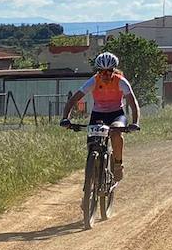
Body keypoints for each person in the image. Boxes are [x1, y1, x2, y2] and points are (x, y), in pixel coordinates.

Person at [60, 51, 141, 179]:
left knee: (115, 133)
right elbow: (73, 99)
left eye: (109, 71)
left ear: (113, 70)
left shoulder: (121, 82)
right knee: (92, 140)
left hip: (116, 114)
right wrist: (65, 118)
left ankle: (118, 164)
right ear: (98, 71)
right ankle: (93, 165)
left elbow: (133, 102)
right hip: (98, 114)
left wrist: (135, 122)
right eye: (102, 71)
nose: (105, 74)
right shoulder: (93, 81)